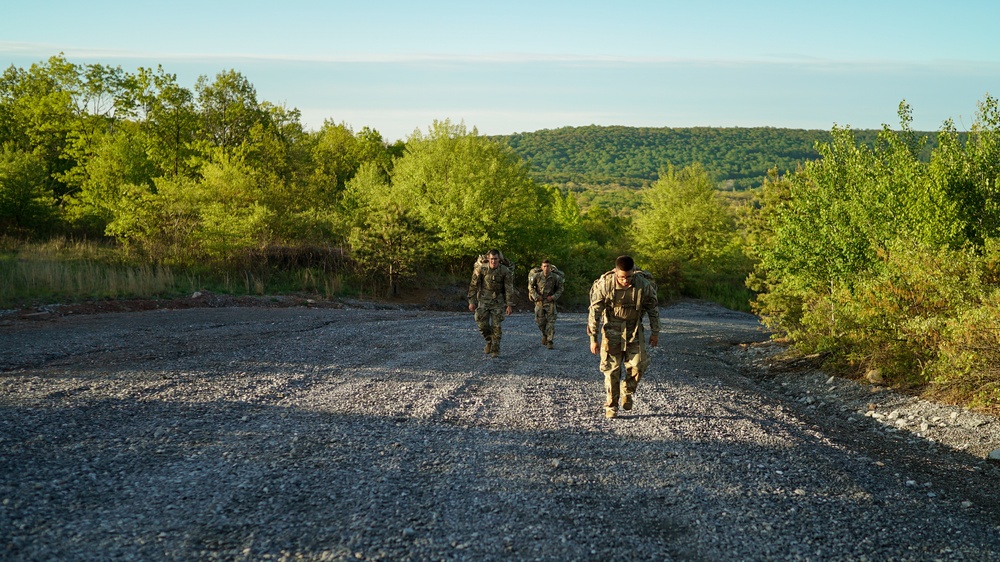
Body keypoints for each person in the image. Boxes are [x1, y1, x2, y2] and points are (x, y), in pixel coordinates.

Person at [587, 255, 660, 419]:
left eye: (629, 277)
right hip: (612, 330)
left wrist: (655, 332)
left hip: (634, 329)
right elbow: (595, 312)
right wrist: (593, 338)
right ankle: (611, 406)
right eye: (622, 277)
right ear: (616, 272)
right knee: (611, 370)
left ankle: (627, 390)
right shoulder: (605, 284)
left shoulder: (643, 284)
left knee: (639, 364)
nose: (626, 280)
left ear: (633, 272)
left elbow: (653, 309)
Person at [468, 249, 515, 357]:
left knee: (496, 326)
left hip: (498, 301)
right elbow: (473, 285)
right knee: (481, 323)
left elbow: (509, 289)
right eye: (492, 259)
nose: (494, 261)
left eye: (496, 259)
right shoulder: (481, 269)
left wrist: (509, 305)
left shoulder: (505, 271)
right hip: (484, 300)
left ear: (499, 259)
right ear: (488, 259)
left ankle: (495, 350)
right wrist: (471, 301)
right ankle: (489, 340)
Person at [527, 259, 564, 349]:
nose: (546, 268)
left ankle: (550, 341)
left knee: (550, 322)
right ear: (541, 267)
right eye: (544, 266)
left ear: (550, 267)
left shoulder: (555, 277)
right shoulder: (537, 276)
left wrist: (553, 297)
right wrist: (536, 296)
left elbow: (560, 289)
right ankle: (544, 334)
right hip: (539, 302)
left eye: (547, 266)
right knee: (540, 322)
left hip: (550, 302)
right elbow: (530, 287)